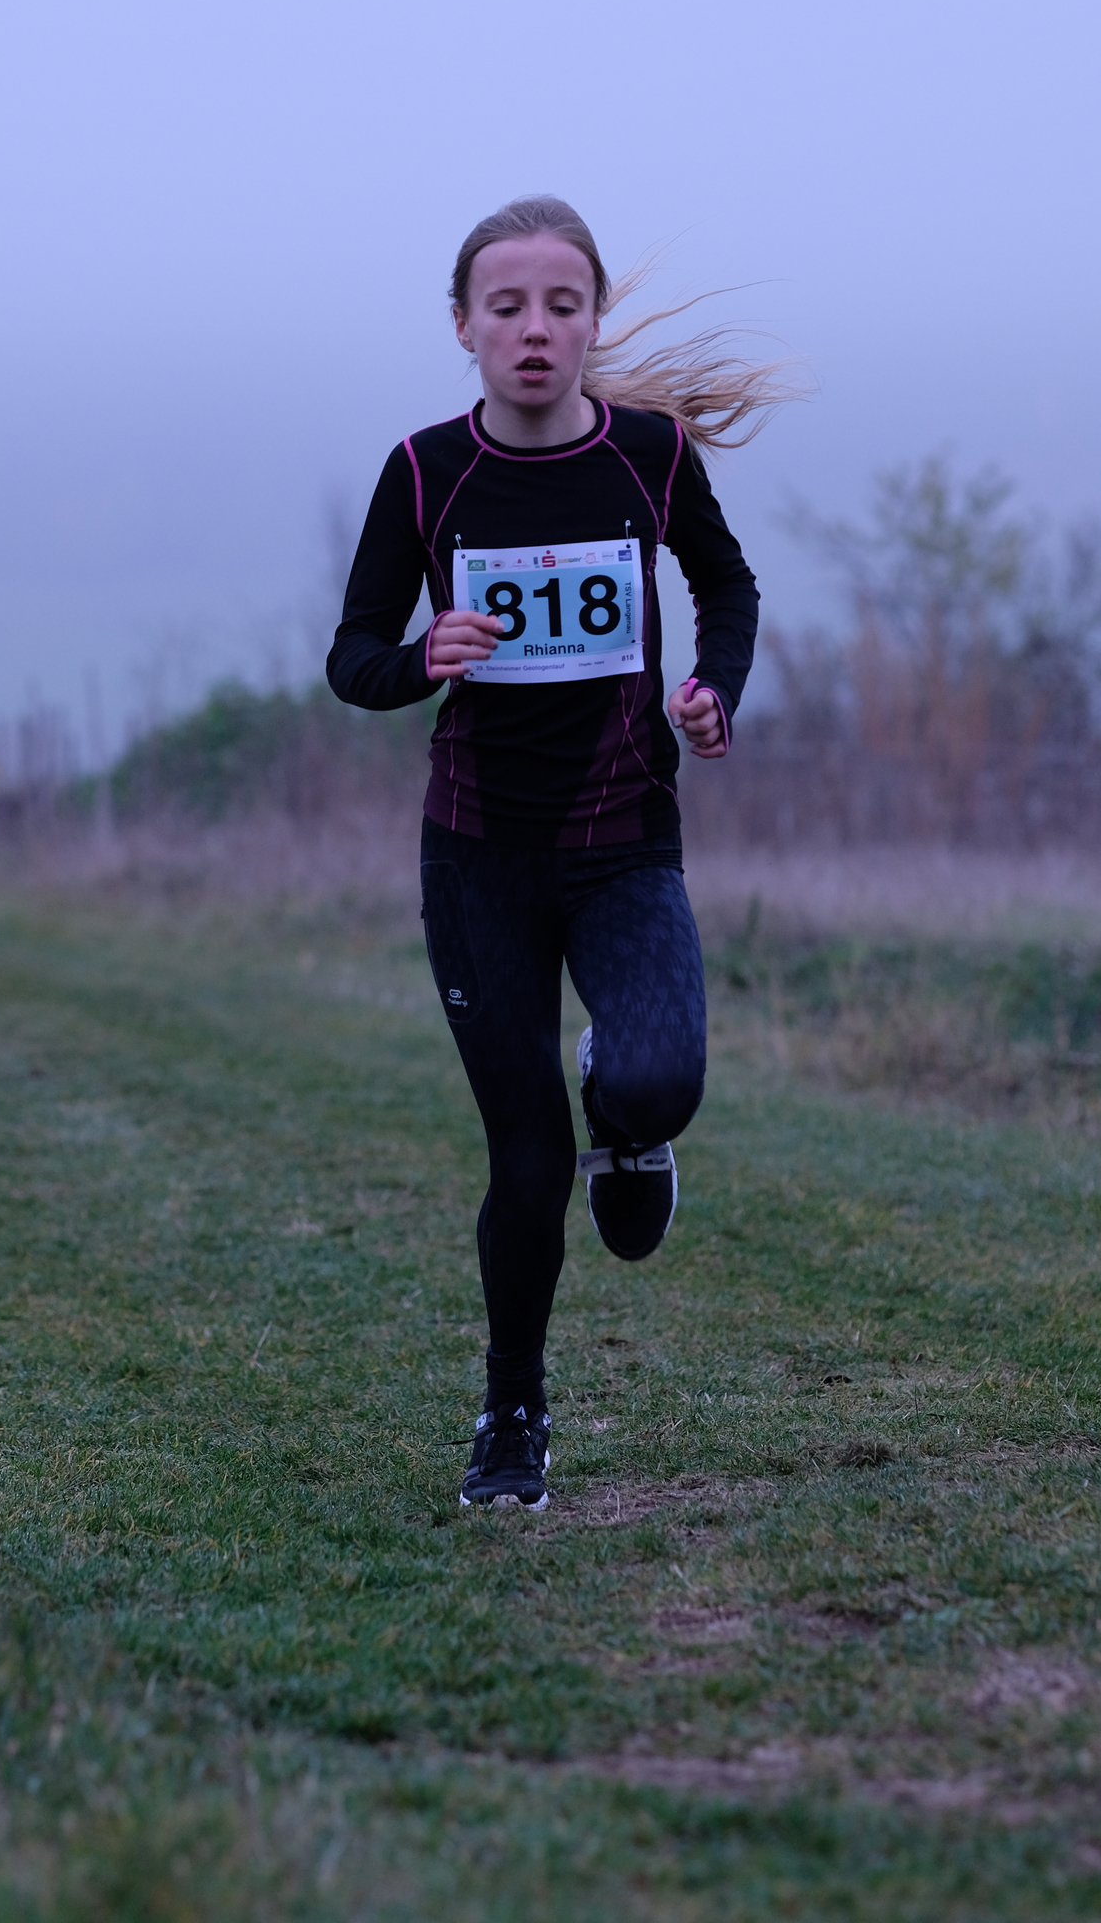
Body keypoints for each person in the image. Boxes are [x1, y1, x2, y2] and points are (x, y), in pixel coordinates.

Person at [328, 196, 787, 1511]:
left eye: (561, 305)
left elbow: (728, 585)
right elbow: (352, 657)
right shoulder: (426, 472)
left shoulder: (650, 453)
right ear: (464, 326)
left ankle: (628, 1130)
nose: (535, 329)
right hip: (478, 860)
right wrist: (424, 657)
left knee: (659, 1078)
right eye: (508, 307)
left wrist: (713, 691)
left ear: (593, 321)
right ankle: (512, 1412)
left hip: (623, 843)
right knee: (525, 1160)